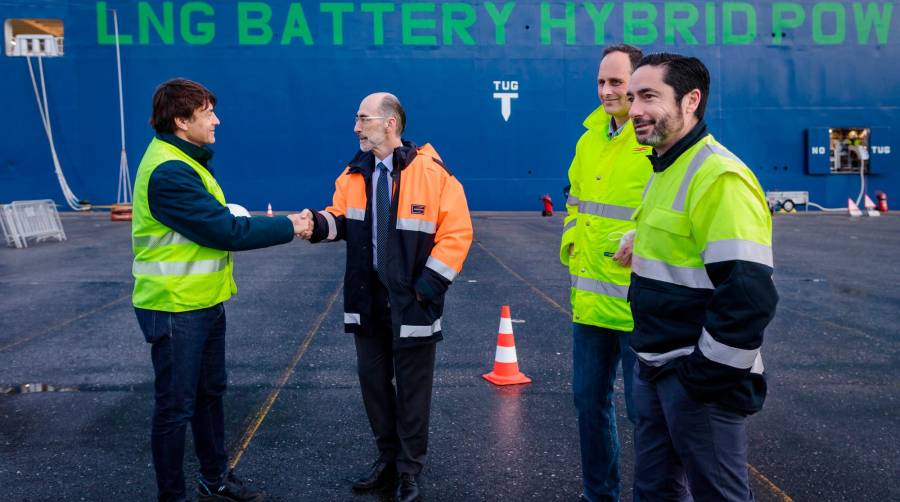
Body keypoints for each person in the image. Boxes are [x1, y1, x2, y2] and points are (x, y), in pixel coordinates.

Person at [132, 78, 309, 502]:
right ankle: (172, 495)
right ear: (180, 120)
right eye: (207, 112)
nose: (217, 119)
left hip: (203, 302)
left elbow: (212, 221)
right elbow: (223, 230)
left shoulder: (185, 160)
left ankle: (214, 480)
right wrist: (292, 224)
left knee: (210, 394)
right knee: (175, 408)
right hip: (174, 307)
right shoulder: (168, 170)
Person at [297, 92, 473, 502]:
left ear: (390, 123)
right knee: (373, 382)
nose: (356, 127)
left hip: (413, 301)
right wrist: (313, 224)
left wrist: (425, 290)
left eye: (363, 119)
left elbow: (457, 235)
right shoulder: (353, 174)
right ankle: (387, 460)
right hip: (368, 299)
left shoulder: (434, 174)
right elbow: (340, 219)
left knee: (413, 389)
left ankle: (410, 470)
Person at [626, 54, 779, 500]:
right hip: (654, 367)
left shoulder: (719, 177)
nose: (633, 108)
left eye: (648, 96)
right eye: (633, 96)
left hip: (695, 379)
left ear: (691, 100)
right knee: (655, 491)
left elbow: (748, 295)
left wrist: (701, 380)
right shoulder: (664, 166)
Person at [560, 44, 652, 502]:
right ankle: (599, 495)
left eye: (616, 82)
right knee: (587, 405)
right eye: (601, 82)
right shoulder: (588, 139)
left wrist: (644, 237)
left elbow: (673, 203)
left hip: (639, 306)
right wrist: (572, 240)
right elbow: (575, 200)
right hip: (591, 302)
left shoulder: (654, 137)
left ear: (636, 84)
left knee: (645, 414)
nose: (606, 91)